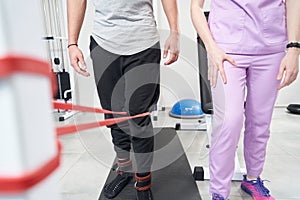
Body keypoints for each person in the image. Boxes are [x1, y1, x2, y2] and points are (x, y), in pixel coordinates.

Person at [67, 0, 179, 199]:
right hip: (103, 43)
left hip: (143, 42)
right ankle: (124, 170)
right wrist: (72, 43)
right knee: (115, 113)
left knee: (138, 116)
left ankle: (143, 181)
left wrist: (174, 31)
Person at [191, 0, 299, 199]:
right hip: (225, 48)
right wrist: (211, 47)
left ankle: (252, 178)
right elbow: (196, 7)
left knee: (260, 120)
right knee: (229, 122)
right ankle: (219, 192)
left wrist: (294, 48)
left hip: (271, 48)